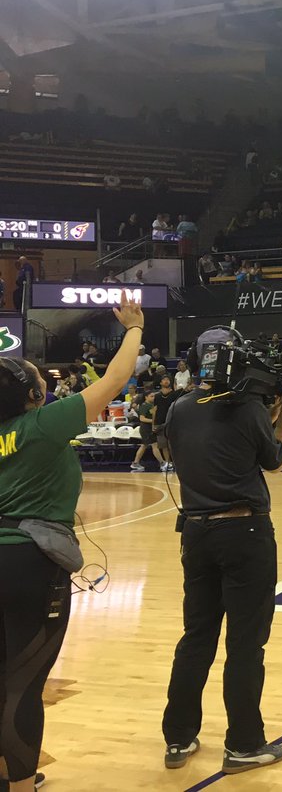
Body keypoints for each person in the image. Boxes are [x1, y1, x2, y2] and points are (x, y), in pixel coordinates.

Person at [0, 294, 142, 792]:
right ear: (34, 397)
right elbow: (115, 381)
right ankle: (19, 783)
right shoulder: (42, 426)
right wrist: (134, 330)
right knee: (21, 683)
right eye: (43, 382)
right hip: (29, 565)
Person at [161, 326, 282, 776]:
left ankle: (179, 737)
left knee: (196, 638)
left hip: (196, 534)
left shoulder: (178, 408)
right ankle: (243, 744)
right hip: (244, 532)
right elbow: (276, 460)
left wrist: (269, 404)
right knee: (245, 644)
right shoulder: (246, 408)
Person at [153, 374, 181, 472]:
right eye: (164, 380)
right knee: (163, 445)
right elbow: (154, 410)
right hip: (160, 422)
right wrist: (153, 424)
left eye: (168, 379)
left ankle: (176, 462)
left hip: (172, 422)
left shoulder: (175, 394)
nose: (166, 381)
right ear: (160, 383)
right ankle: (168, 463)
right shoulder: (156, 396)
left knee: (173, 444)